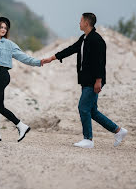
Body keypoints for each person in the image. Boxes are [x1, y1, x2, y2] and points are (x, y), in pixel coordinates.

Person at [42, 13, 127, 148]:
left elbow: (100, 62)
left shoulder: (97, 40)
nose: (79, 23)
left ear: (87, 23)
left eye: (81, 20)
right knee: (92, 111)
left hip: (93, 81)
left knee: (83, 107)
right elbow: (71, 49)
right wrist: (52, 58)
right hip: (86, 80)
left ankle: (88, 139)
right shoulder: (84, 38)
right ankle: (118, 131)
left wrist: (98, 80)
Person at [0, 17, 43, 142]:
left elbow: (23, 57)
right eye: (1, 27)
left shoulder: (8, 44)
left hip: (2, 74)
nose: (3, 29)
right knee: (0, 106)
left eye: (5, 28)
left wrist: (39, 62)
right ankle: (21, 126)